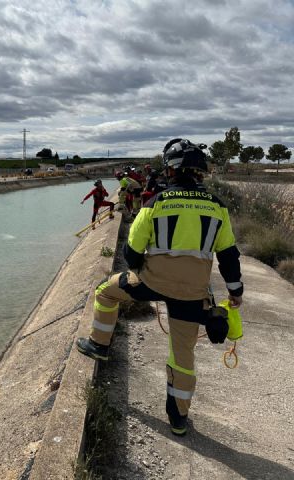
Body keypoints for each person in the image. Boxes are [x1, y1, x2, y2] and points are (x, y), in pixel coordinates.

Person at [76, 138, 243, 436]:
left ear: (170, 170)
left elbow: (131, 253)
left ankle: (99, 346)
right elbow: (229, 256)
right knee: (182, 356)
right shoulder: (218, 208)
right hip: (193, 295)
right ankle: (178, 419)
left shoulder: (156, 204)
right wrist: (235, 292)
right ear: (200, 172)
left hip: (151, 283)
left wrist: (142, 272)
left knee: (105, 291)